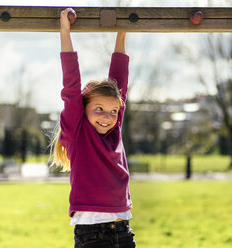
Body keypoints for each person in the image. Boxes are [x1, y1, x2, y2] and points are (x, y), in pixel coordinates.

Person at [49, 8, 136, 248]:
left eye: (113, 111)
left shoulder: (114, 129)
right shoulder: (78, 133)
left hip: (123, 231)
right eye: (98, 109)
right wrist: (65, 31)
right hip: (91, 235)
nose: (107, 117)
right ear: (83, 109)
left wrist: (122, 33)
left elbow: (121, 83)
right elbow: (71, 85)